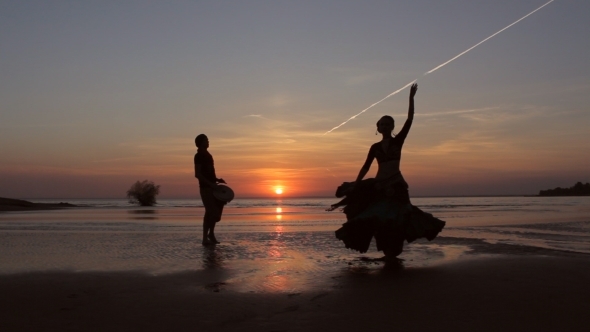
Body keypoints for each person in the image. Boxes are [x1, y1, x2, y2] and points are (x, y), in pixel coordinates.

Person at [330, 83, 445, 259]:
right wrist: (357, 184)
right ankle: (387, 251)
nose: (384, 126)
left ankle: (394, 251)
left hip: (396, 184)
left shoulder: (398, 141)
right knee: (378, 218)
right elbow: (366, 166)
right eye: (381, 124)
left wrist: (411, 99)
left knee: (399, 218)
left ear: (392, 127)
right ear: (378, 128)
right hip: (379, 186)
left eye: (387, 124)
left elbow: (410, 120)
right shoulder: (374, 147)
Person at [194, 134, 226, 246]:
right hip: (205, 188)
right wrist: (211, 185)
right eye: (206, 140)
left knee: (213, 213)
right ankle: (204, 238)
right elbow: (198, 174)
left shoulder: (208, 155)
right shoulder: (198, 156)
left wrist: (217, 180)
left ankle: (211, 235)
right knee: (212, 213)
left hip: (213, 186)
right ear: (200, 142)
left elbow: (209, 173)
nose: (208, 141)